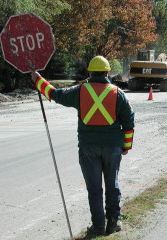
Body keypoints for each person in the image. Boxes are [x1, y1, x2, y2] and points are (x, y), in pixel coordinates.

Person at [31, 56, 135, 237]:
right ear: (107, 72)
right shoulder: (118, 93)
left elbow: (55, 94)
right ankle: (113, 222)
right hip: (112, 148)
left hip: (88, 148)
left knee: (94, 189)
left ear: (90, 72)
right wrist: (126, 146)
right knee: (113, 185)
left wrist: (38, 80)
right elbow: (129, 121)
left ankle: (98, 226)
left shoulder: (80, 91)